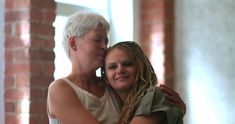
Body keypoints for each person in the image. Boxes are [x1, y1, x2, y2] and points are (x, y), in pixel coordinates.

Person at [47, 11, 185, 124]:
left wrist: (174, 109)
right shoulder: (60, 89)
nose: (104, 46)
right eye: (97, 40)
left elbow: (149, 106)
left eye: (106, 41)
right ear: (73, 43)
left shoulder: (113, 86)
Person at [104, 41, 184, 124]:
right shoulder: (117, 105)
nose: (120, 70)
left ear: (141, 68)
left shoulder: (154, 94)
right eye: (112, 67)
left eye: (127, 64)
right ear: (106, 78)